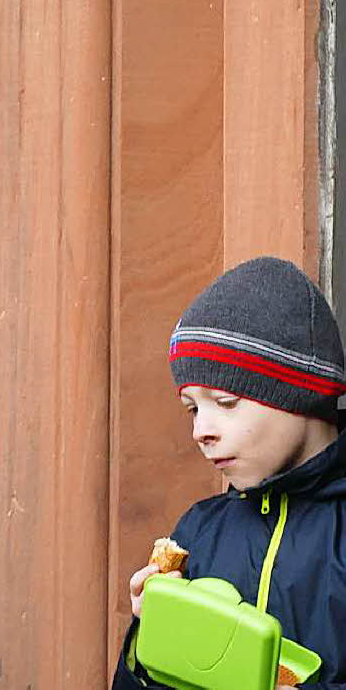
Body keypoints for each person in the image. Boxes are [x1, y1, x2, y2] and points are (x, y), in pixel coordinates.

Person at [112, 256, 346, 689]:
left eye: (225, 402)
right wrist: (147, 641)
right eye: (192, 409)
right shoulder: (199, 531)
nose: (201, 431)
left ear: (300, 390)